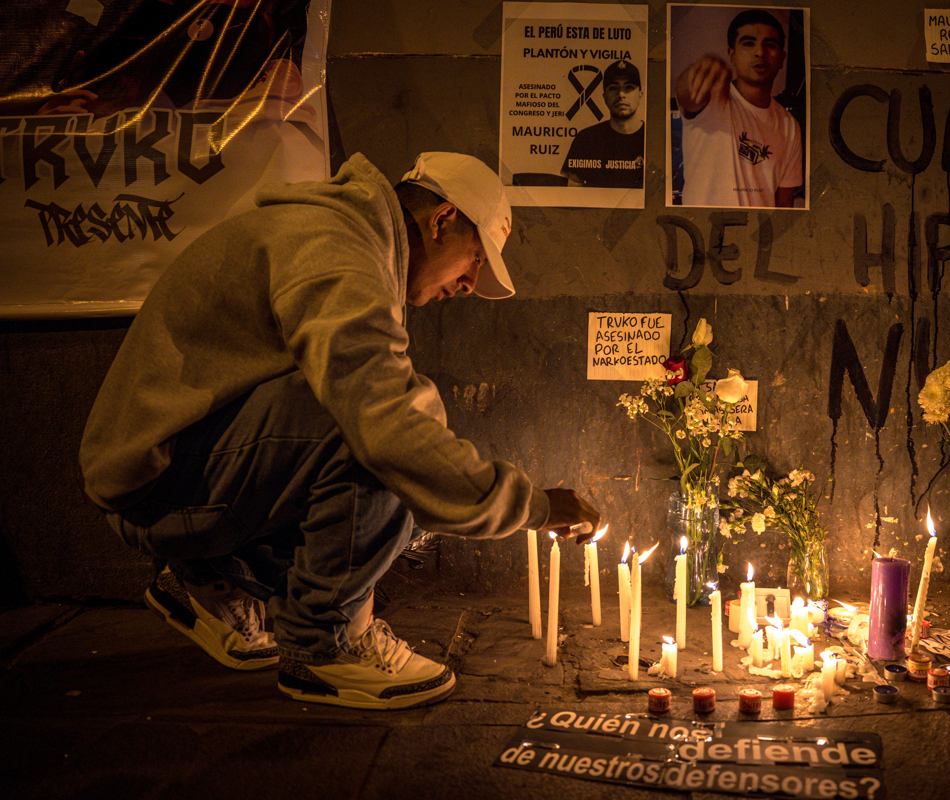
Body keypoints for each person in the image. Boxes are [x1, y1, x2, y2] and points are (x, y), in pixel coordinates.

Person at [79, 151, 601, 710]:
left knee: (404, 461)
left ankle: (208, 575)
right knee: (385, 430)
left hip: (176, 468)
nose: (472, 283)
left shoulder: (347, 240)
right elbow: (384, 425)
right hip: (157, 487)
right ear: (442, 219)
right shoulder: (336, 250)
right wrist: (538, 506)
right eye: (475, 258)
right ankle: (323, 647)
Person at [674, 9, 804, 208]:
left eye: (770, 45)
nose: (760, 52)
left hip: (757, 235)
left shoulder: (790, 126)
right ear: (731, 55)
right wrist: (697, 72)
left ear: (782, 58)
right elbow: (688, 96)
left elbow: (784, 205)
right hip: (701, 231)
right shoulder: (713, 97)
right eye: (748, 43)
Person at [560, 59, 645, 189]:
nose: (621, 94)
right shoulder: (586, 139)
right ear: (604, 97)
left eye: (629, 88)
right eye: (613, 88)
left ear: (640, 95)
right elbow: (570, 192)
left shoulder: (652, 139)